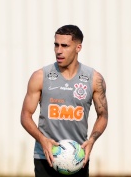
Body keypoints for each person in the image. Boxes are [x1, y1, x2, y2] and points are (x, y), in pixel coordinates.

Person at [20, 25, 108, 177]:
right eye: (56, 45)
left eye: (65, 46)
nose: (58, 51)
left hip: (77, 159)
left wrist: (91, 140)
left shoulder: (94, 79)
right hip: (45, 157)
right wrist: (42, 140)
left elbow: (103, 116)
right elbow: (25, 116)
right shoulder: (40, 77)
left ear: (78, 47)